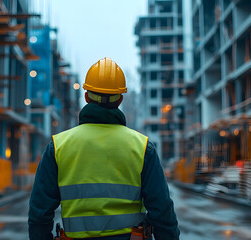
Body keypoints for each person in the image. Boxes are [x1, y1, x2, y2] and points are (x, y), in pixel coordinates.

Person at [28, 57, 180, 240]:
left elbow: (39, 213)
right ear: (120, 99)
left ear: (86, 97)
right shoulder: (143, 147)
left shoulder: (58, 147)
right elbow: (162, 212)